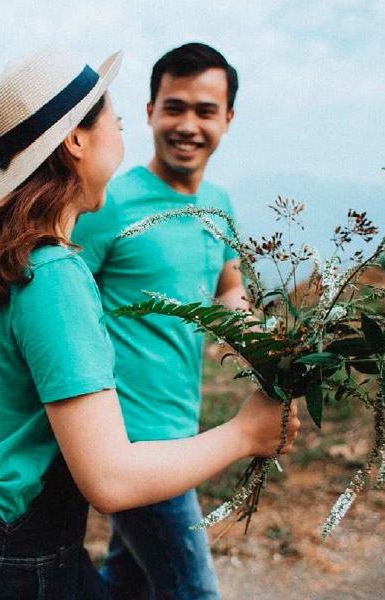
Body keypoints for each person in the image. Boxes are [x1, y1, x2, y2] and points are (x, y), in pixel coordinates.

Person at [0, 44, 299, 600]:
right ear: (76, 140)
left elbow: (226, 288)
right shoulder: (55, 277)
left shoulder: (27, 259)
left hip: (12, 560)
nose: (120, 125)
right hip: (9, 575)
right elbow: (111, 479)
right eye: (111, 114)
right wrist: (245, 434)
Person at [72, 43, 253, 599]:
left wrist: (272, 347)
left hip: (180, 438)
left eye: (205, 111)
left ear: (228, 120)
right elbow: (63, 307)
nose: (188, 125)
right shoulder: (109, 206)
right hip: (132, 447)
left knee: (127, 585)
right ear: (149, 111)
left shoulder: (218, 204)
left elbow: (229, 290)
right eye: (174, 107)